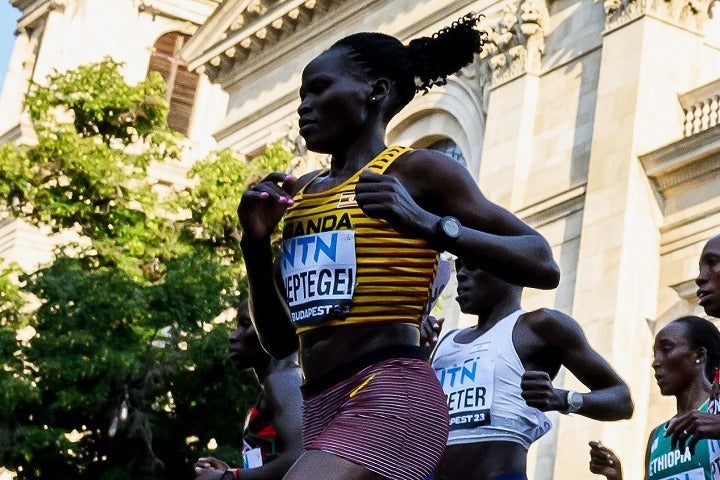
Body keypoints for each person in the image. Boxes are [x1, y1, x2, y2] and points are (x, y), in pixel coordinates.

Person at [238, 13, 561, 480]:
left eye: (320, 89)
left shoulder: (416, 171)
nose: (305, 106)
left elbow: (541, 260)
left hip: (392, 391)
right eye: (302, 95)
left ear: (376, 91)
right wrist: (255, 244)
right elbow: (281, 340)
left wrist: (426, 223)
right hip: (322, 403)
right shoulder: (301, 194)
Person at [428, 258, 632, 480]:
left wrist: (562, 398)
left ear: (507, 265)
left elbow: (621, 399)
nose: (461, 274)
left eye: (472, 264)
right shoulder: (444, 341)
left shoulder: (539, 326)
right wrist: (414, 352)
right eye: (459, 266)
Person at [588, 315, 720, 480]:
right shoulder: (658, 436)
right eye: (655, 354)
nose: (655, 362)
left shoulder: (716, 412)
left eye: (666, 349)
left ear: (699, 354)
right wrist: (616, 477)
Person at [194, 300, 303, 480]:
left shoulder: (285, 380)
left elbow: (301, 456)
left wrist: (230, 477)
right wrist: (228, 471)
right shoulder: (275, 384)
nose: (232, 336)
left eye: (245, 324)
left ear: (271, 326)